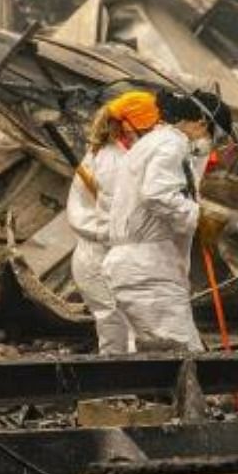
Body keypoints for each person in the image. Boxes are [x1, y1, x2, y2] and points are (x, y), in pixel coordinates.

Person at [103, 89, 233, 352]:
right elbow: (157, 193)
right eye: (215, 137)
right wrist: (199, 217)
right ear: (202, 122)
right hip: (148, 270)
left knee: (157, 360)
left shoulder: (155, 142)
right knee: (184, 357)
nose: (211, 145)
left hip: (140, 266)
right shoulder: (172, 144)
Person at [66, 91, 158, 354]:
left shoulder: (124, 154)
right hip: (100, 257)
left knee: (129, 327)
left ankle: (127, 389)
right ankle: (116, 389)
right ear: (128, 126)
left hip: (113, 252)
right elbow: (121, 221)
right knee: (119, 328)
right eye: (149, 128)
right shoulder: (111, 162)